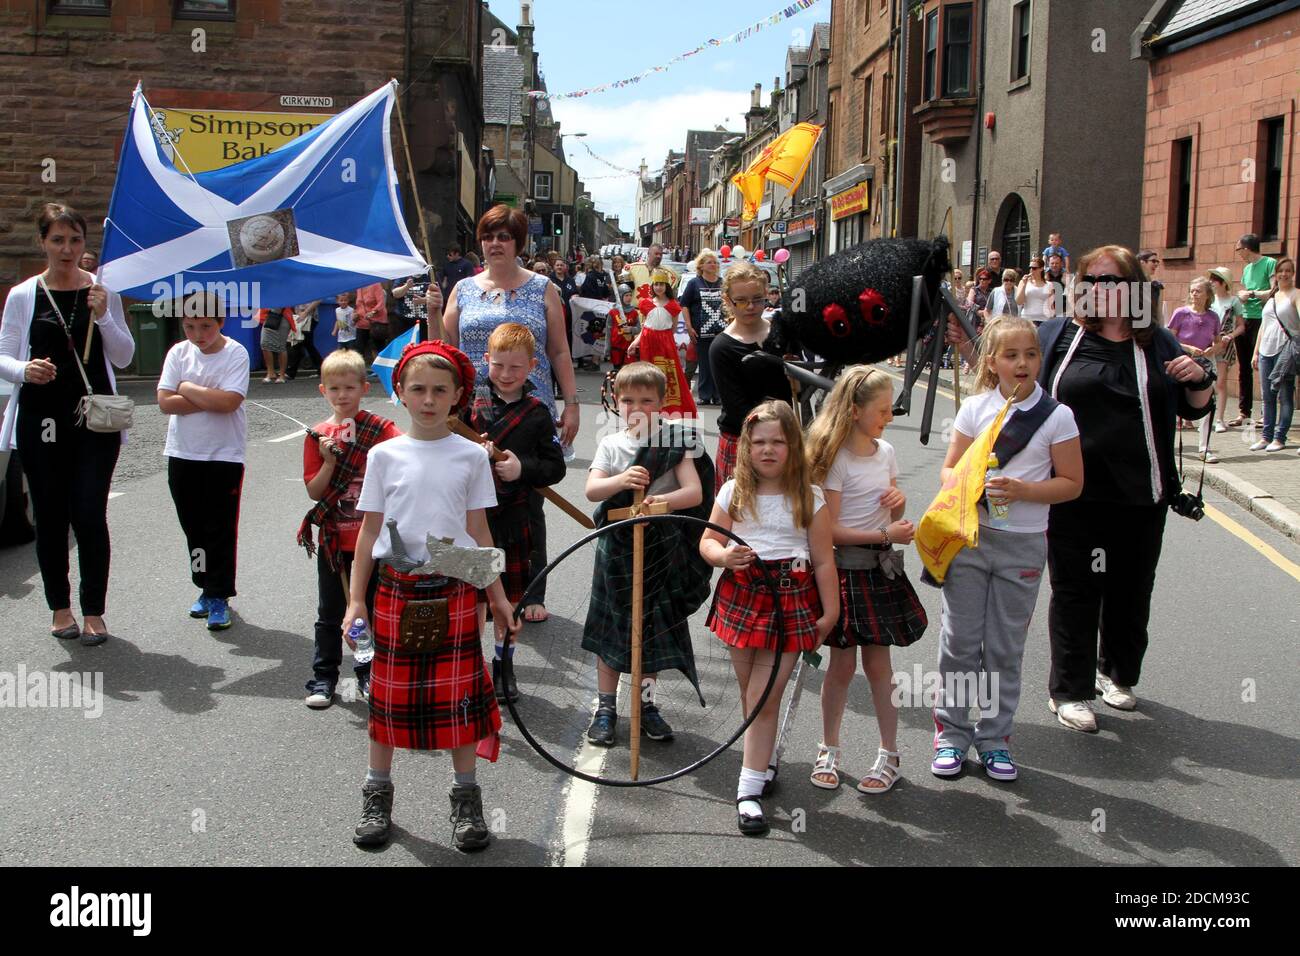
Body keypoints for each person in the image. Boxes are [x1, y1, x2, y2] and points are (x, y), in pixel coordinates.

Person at [347, 340, 518, 852]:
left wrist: (501, 597)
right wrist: (356, 601)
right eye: (417, 388)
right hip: (397, 587)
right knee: (388, 699)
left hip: (458, 585)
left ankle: (466, 800)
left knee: (459, 702)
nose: (428, 399)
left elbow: (479, 531)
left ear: (458, 396)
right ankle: (377, 793)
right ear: (398, 391)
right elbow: (367, 532)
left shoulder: (470, 455)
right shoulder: (382, 454)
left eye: (439, 390)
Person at [1035, 246, 1213, 731]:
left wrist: (1201, 378)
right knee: (1074, 591)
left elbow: (1195, 405)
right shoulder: (1059, 336)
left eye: (1110, 280)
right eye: (1090, 280)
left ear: (1134, 287)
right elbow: (1010, 376)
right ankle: (1069, 691)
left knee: (1131, 591)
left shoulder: (1158, 343)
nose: (1098, 289)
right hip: (1072, 492)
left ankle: (1117, 675)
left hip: (1141, 493)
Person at [932, 316, 1082, 779]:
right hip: (971, 539)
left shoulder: (1058, 416)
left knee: (1003, 648)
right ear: (993, 362)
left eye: (1031, 354)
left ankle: (995, 738)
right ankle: (951, 734)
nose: (1023, 363)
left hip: (1023, 545)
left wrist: (1023, 491)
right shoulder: (975, 409)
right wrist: (970, 480)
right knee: (959, 642)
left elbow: (1072, 484)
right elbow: (948, 472)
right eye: (1012, 355)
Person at [700, 400, 838, 836]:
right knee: (752, 695)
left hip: (790, 598)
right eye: (759, 442)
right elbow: (706, 540)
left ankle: (747, 792)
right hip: (742, 594)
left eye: (778, 441)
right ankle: (764, 759)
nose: (768, 449)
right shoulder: (732, 492)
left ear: (793, 447)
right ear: (746, 448)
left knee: (762, 699)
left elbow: (824, 561)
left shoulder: (809, 496)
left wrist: (830, 611)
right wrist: (724, 555)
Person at [0, 203, 134, 645]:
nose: (67, 249)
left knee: (90, 514)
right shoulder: (24, 294)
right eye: (57, 240)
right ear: (43, 242)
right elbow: (3, 357)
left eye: (75, 240)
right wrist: (23, 369)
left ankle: (94, 610)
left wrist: (105, 316)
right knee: (52, 517)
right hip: (41, 419)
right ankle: (60, 607)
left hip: (94, 421)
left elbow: (125, 356)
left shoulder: (101, 291)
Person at [441, 203, 581, 625]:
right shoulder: (463, 289)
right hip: (473, 410)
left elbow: (558, 349)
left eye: (504, 237)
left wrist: (571, 403)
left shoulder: (542, 288)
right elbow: (444, 346)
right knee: (471, 501)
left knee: (526, 501)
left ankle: (531, 590)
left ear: (519, 243)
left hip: (529, 405)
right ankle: (479, 587)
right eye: (488, 236)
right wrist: (432, 312)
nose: (495, 243)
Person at [804, 368, 928, 794]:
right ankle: (829, 749)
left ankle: (888, 754)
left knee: (880, 667)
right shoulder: (836, 458)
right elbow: (829, 531)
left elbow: (890, 516)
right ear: (855, 411)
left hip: (880, 570)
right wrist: (886, 533)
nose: (890, 416)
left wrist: (899, 506)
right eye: (882, 409)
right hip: (844, 570)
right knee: (840, 666)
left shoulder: (886, 451)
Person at [582, 361, 712, 747]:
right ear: (616, 402)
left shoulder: (677, 440)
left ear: (662, 402)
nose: (637, 408)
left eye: (647, 400)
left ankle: (646, 705)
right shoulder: (610, 444)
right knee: (613, 629)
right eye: (628, 400)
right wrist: (621, 480)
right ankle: (606, 708)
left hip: (659, 548)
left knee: (649, 631)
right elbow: (593, 491)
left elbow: (694, 493)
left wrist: (660, 501)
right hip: (617, 549)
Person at [298, 348, 401, 709]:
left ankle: (368, 674)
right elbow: (314, 491)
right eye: (334, 388)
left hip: (373, 541)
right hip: (333, 539)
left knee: (371, 610)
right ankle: (323, 677)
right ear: (322, 390)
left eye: (349, 388)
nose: (342, 396)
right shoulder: (318, 436)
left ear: (364, 389)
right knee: (330, 613)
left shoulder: (382, 430)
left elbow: (403, 466)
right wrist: (328, 461)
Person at [468, 322, 566, 703]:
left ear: (532, 366)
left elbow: (554, 467)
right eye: (498, 366)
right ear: (486, 360)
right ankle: (471, 670)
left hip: (515, 519)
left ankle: (503, 668)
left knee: (507, 602)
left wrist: (522, 468)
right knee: (474, 599)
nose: (506, 376)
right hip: (472, 521)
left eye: (515, 368)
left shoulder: (538, 412)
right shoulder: (468, 404)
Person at [157, 292, 250, 633]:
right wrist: (204, 395)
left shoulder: (235, 353)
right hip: (183, 453)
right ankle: (203, 584)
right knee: (193, 527)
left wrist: (186, 387)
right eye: (190, 327)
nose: (198, 334)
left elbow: (228, 402)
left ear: (220, 322)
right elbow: (165, 402)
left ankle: (220, 594)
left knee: (219, 528)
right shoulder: (178, 353)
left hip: (223, 455)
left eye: (206, 327)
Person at [709, 261, 792, 491]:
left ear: (766, 294)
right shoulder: (722, 347)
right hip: (741, 440)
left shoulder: (781, 333)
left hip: (784, 436)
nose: (751, 306)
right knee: (738, 519)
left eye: (757, 299)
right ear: (728, 301)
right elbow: (737, 410)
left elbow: (797, 390)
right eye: (742, 300)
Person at [1168, 278, 1223, 461]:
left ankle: (1204, 447)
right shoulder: (1181, 313)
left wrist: (1212, 349)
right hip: (1182, 361)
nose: (1194, 294)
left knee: (1206, 404)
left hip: (1205, 364)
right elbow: (1169, 338)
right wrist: (1189, 348)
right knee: (1176, 402)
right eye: (1192, 291)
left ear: (1208, 294)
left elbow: (1218, 342)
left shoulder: (1213, 317)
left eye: (1198, 291)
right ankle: (1169, 445)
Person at [1251, 257, 1298, 452]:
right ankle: (1266, 437)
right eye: (1281, 271)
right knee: (1267, 396)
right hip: (1265, 351)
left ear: (1293, 273)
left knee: (1285, 395)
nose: (1284, 274)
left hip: (1285, 351)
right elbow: (1264, 325)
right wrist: (1255, 352)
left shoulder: (1296, 295)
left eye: (1288, 271)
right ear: (1276, 274)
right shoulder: (1272, 296)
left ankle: (1279, 438)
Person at [1230, 233, 1277, 428]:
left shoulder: (1270, 263)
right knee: (1244, 368)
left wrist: (1251, 293)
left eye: (1238, 249)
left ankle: (1266, 413)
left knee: (1264, 366)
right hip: (1245, 319)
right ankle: (1244, 412)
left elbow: (1273, 291)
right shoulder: (1247, 269)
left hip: (1263, 320)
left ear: (1247, 248)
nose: (1238, 253)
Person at [679, 249, 726, 404]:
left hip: (721, 331)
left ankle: (718, 395)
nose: (713, 265)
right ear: (701, 266)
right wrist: (688, 325)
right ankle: (705, 395)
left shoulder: (723, 283)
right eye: (709, 262)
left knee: (719, 364)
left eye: (715, 262)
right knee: (705, 364)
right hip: (701, 331)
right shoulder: (694, 283)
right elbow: (684, 305)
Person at [1206, 266, 1246, 436]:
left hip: (1224, 344)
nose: (1211, 282)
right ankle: (1203, 417)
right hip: (1207, 343)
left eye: (1215, 279)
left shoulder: (1233, 301)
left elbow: (1241, 326)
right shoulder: (1209, 300)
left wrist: (1230, 336)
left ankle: (1219, 418)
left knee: (1220, 382)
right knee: (1206, 381)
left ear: (1223, 283)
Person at [286, 300, 324, 380]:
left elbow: (319, 299)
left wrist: (305, 312)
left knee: (301, 343)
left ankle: (290, 372)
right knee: (305, 344)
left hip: (309, 317)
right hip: (299, 316)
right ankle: (322, 370)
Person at [257, 306, 295, 383]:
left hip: (283, 316)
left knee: (281, 346)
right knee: (264, 344)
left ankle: (282, 375)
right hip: (269, 316)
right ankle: (270, 373)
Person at [608, 283, 640, 370]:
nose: (629, 298)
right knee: (617, 371)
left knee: (628, 371)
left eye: (630, 295)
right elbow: (608, 331)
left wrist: (631, 329)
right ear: (620, 296)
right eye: (626, 295)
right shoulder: (613, 312)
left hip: (628, 346)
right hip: (616, 346)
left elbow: (639, 329)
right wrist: (607, 348)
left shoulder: (634, 312)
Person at [1016, 256, 1055, 325]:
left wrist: (1052, 321)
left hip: (1044, 319)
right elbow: (1019, 302)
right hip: (1027, 318)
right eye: (1030, 268)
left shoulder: (1049, 285)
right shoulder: (1023, 282)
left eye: (1034, 268)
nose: (1031, 270)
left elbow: (1051, 306)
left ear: (1041, 268)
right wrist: (1024, 285)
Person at [355, 282, 389, 359]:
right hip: (361, 322)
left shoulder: (376, 284)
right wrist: (355, 314)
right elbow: (358, 304)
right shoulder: (359, 286)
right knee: (359, 349)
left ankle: (380, 369)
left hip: (376, 323)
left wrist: (373, 312)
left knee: (378, 349)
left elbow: (381, 303)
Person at [1137, 249, 1166, 327]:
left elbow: (1159, 313)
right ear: (1142, 262)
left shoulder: (1157, 287)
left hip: (1151, 330)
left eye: (1157, 262)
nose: (1156, 264)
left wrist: (1161, 333)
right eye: (1153, 261)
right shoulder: (1130, 284)